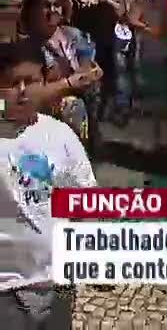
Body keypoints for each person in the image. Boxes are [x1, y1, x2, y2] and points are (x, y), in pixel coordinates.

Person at [0, 41, 95, 327]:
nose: (22, 90)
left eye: (31, 81)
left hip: (57, 283)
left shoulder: (60, 134)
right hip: (7, 289)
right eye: (11, 83)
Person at [19, 0, 103, 147]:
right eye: (46, 5)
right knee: (72, 105)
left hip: (87, 110)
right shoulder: (26, 46)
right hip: (48, 114)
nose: (52, 10)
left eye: (56, 5)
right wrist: (69, 83)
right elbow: (29, 93)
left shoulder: (74, 35)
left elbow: (88, 65)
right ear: (32, 11)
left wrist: (93, 73)